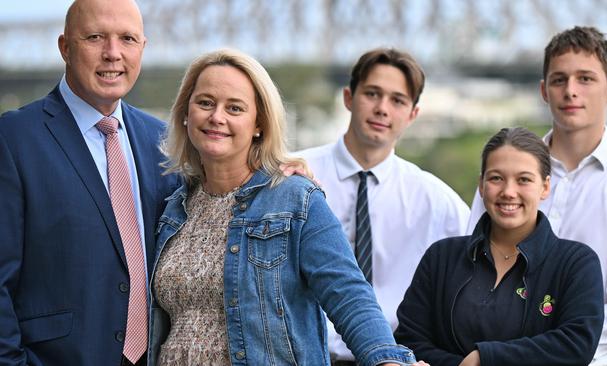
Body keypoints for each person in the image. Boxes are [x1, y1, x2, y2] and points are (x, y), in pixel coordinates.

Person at [148, 48, 426, 366]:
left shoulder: (296, 199)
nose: (217, 117)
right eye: (205, 103)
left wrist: (386, 360)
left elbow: (348, 293)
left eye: (235, 108)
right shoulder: (173, 208)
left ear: (259, 124)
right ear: (186, 113)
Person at [0, 0, 179, 365]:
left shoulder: (163, 141)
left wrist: (278, 173)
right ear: (65, 47)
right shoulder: (13, 139)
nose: (113, 54)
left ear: (142, 48)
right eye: (95, 37)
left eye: (127, 39)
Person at [467, 26, 607, 366]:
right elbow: (472, 275)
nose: (570, 91)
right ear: (543, 90)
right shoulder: (504, 170)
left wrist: (519, 356)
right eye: (559, 80)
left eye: (585, 79)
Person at [296, 48, 469, 364]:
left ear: (413, 114)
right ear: (349, 98)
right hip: (306, 356)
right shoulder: (295, 173)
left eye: (397, 100)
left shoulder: (436, 200)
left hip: (396, 359)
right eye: (372, 94)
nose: (382, 109)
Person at [395, 127, 605, 366]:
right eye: (496, 178)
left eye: (523, 180)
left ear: (545, 187)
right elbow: (409, 341)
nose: (508, 192)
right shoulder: (442, 256)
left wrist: (485, 358)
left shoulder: (576, 263)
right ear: (481, 185)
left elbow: (576, 345)